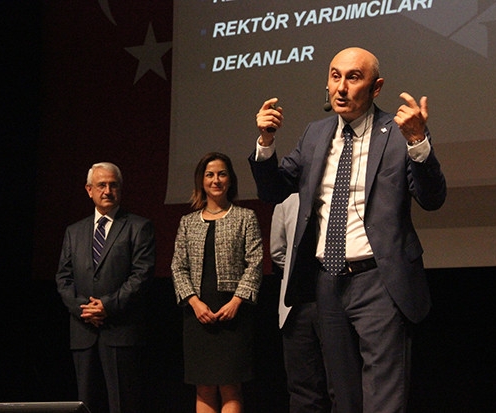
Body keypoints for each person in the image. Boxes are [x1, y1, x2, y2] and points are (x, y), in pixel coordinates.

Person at [249, 47, 447, 412]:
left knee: (384, 396)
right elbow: (274, 190)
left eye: (353, 77)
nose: (341, 87)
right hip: (327, 281)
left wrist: (418, 143)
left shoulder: (399, 132)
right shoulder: (315, 134)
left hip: (380, 280)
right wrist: (265, 142)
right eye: (335, 76)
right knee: (343, 395)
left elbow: (432, 198)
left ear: (376, 87)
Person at [55, 162, 156, 413]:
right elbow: (63, 278)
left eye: (113, 185)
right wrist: (84, 309)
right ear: (89, 190)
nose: (107, 191)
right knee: (86, 403)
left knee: (122, 404)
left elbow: (141, 276)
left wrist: (107, 306)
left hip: (120, 331)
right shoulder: (74, 231)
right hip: (83, 331)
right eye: (101, 185)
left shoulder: (138, 226)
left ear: (121, 189)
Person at [171, 152, 263, 413]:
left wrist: (237, 301)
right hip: (197, 314)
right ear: (201, 181)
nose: (216, 180)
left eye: (222, 174)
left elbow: (255, 263)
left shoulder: (245, 217)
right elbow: (178, 266)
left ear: (230, 179)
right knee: (204, 387)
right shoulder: (187, 222)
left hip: (233, 313)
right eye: (210, 175)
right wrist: (194, 303)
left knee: (231, 387)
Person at [270, 193, 331, 413]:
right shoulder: (287, 201)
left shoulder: (337, 193)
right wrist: (300, 271)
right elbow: (278, 252)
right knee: (303, 388)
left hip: (334, 303)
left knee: (341, 383)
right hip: (297, 307)